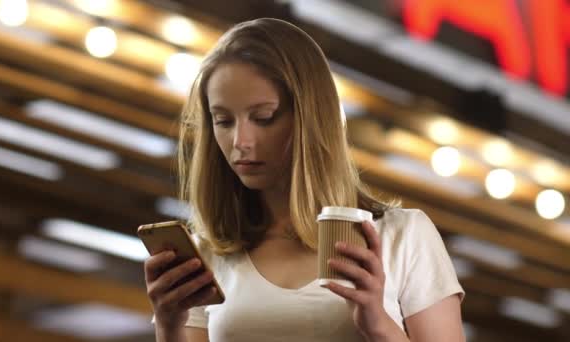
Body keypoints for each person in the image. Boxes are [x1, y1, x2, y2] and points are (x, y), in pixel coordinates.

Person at [144, 18, 465, 342]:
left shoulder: (402, 236)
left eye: (263, 117)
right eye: (223, 120)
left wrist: (379, 324)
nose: (241, 140)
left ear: (310, 117)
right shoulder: (207, 258)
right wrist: (168, 326)